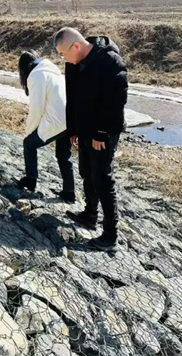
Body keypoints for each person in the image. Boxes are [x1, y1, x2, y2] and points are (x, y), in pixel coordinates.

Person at [54, 27, 128, 251]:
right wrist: (73, 130)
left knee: (103, 179)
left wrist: (101, 133)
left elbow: (116, 102)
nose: (64, 59)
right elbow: (72, 99)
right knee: (86, 172)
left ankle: (110, 235)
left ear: (76, 46)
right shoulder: (74, 64)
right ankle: (90, 214)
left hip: (104, 132)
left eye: (64, 54)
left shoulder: (110, 62)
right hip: (84, 129)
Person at [17, 50, 75, 202]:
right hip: (69, 119)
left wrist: (29, 132)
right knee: (63, 155)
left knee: (29, 144)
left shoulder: (36, 75)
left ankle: (31, 180)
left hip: (56, 120)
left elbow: (36, 109)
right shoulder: (53, 71)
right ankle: (69, 191)